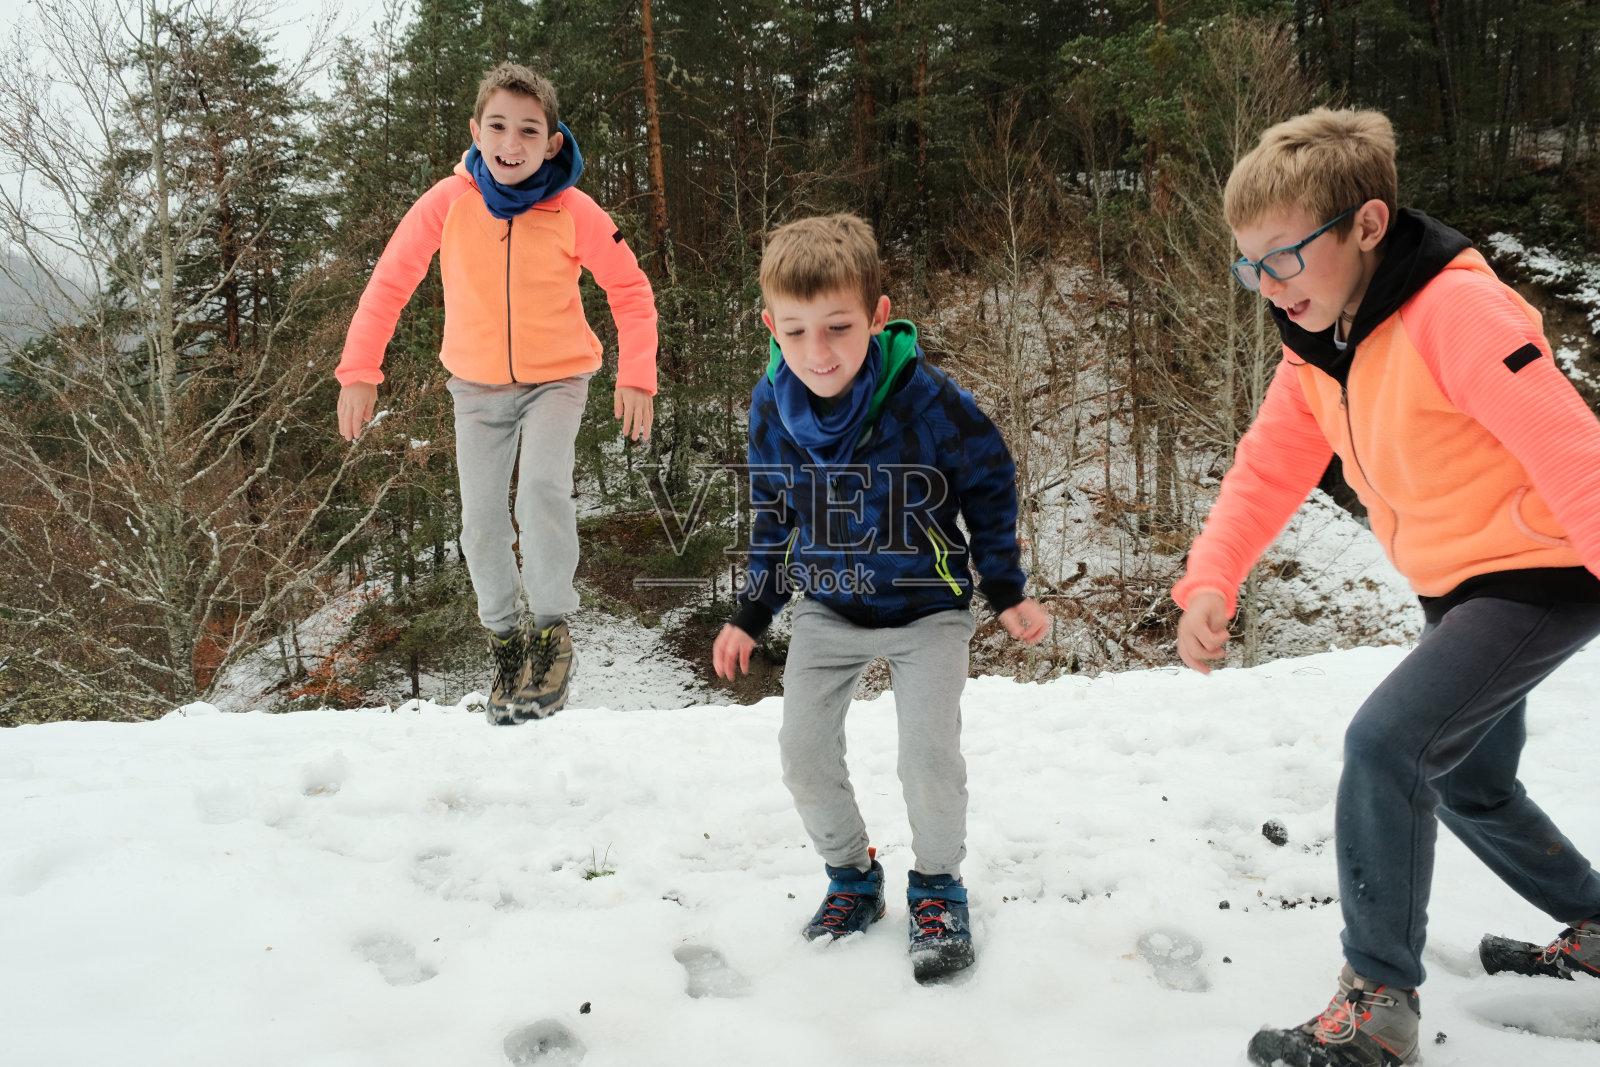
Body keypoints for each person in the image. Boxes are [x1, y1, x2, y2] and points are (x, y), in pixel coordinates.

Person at [1170, 108, 1600, 1066]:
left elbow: (1576, 453)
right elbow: (1269, 465)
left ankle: (1377, 1005)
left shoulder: (1457, 312)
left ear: (1367, 225)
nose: (1267, 287)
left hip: (1543, 572)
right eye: (1249, 265)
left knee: (1389, 745)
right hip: (1461, 585)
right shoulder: (1322, 338)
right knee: (1472, 781)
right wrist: (1213, 577)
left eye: (1284, 258)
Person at [712, 213, 1050, 983]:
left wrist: (1004, 586)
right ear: (771, 326)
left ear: (878, 316)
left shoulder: (926, 400)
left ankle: (936, 886)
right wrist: (752, 610)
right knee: (801, 751)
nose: (817, 352)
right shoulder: (772, 407)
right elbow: (774, 514)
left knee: (926, 756)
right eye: (795, 332)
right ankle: (851, 875)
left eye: (838, 326)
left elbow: (990, 476)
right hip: (830, 608)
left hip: (928, 607)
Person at [334, 63, 657, 724]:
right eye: (499, 126)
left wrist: (636, 375)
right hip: (476, 388)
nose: (512, 141)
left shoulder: (574, 210)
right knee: (480, 524)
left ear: (552, 142)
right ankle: (508, 646)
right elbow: (390, 281)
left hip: (556, 380)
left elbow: (630, 290)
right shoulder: (447, 204)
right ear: (476, 132)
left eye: (529, 129)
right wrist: (359, 369)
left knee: (540, 489)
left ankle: (552, 634)